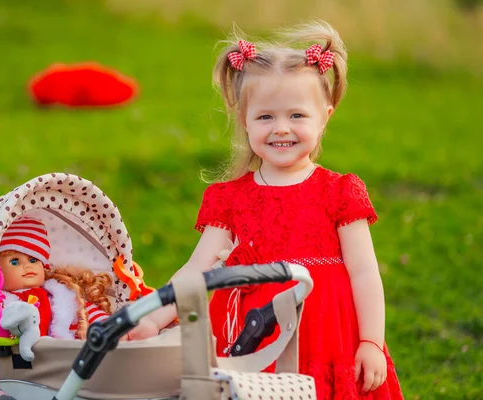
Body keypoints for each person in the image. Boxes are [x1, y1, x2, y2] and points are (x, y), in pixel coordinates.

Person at [129, 20, 404, 399]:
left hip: (330, 339)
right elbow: (197, 269)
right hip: (255, 342)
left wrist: (371, 342)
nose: (280, 129)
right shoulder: (228, 198)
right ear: (244, 121)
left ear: (325, 116)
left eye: (296, 115)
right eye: (265, 117)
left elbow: (364, 272)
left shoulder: (340, 191)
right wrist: (154, 317)